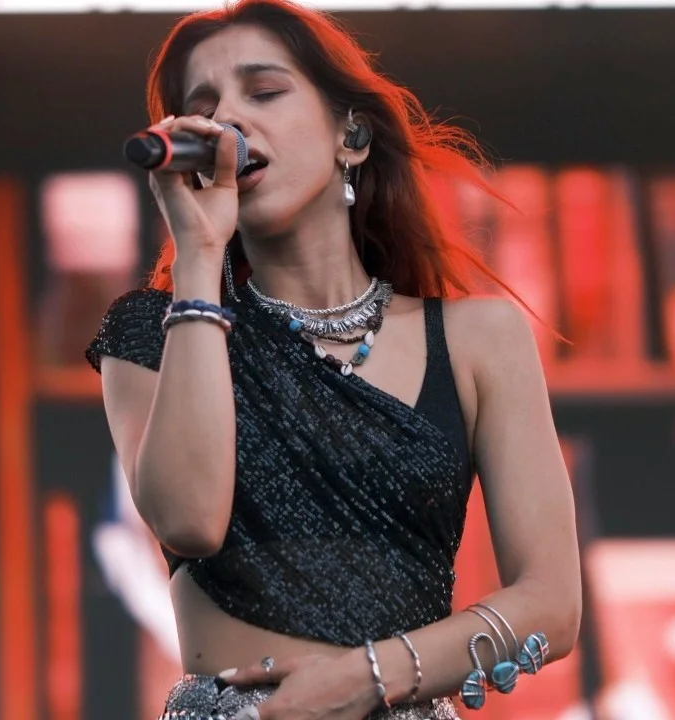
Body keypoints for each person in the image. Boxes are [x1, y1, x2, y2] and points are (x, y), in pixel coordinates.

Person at [86, 1, 582, 718]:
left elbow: (552, 605)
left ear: (350, 135)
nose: (229, 119)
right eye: (205, 107)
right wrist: (198, 256)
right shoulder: (154, 332)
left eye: (264, 91)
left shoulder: (479, 339)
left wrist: (365, 679)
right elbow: (189, 520)